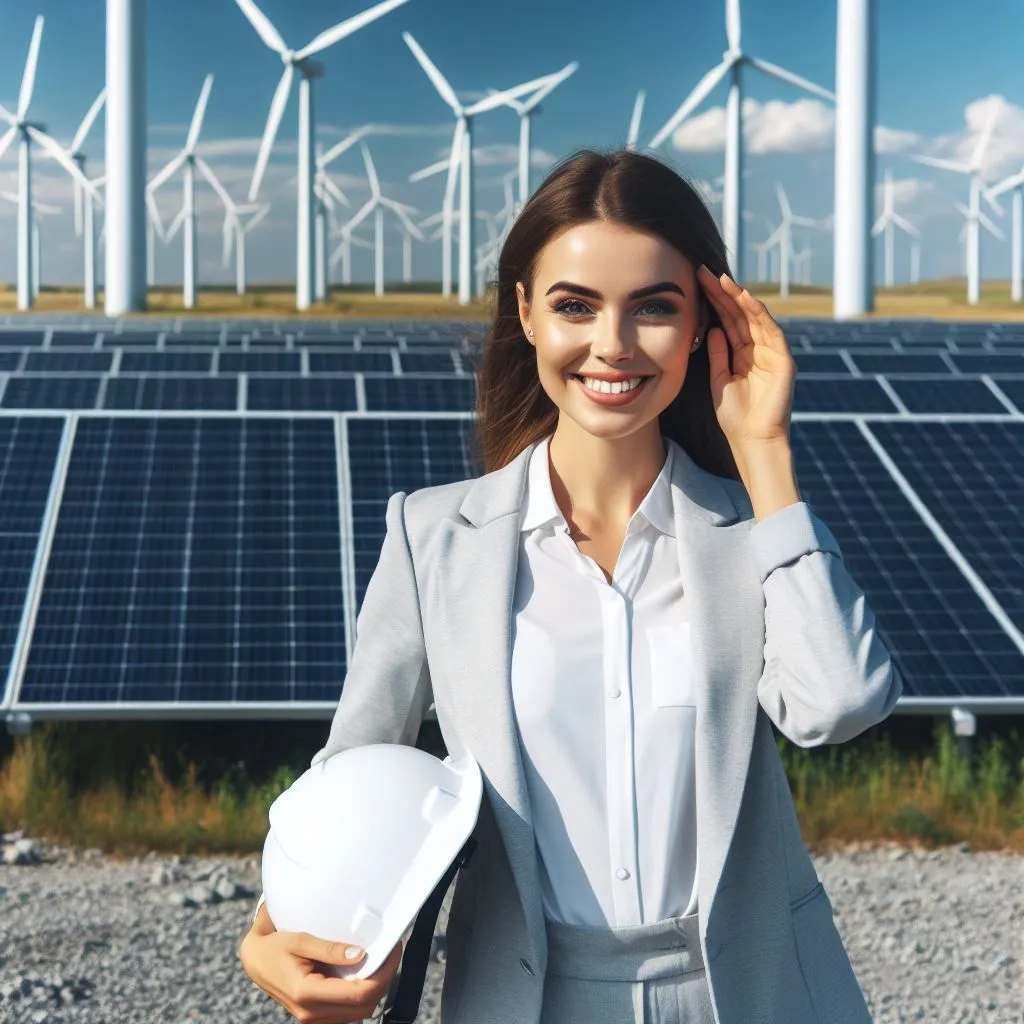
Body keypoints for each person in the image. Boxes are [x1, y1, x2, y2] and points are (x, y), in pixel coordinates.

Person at [238, 148, 902, 1024]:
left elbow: (841, 705)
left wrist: (765, 452)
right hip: (525, 999)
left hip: (746, 997)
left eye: (655, 308)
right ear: (525, 312)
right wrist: (272, 928)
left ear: (710, 319)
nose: (613, 346)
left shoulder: (753, 536)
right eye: (575, 306)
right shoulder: (433, 536)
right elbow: (356, 777)